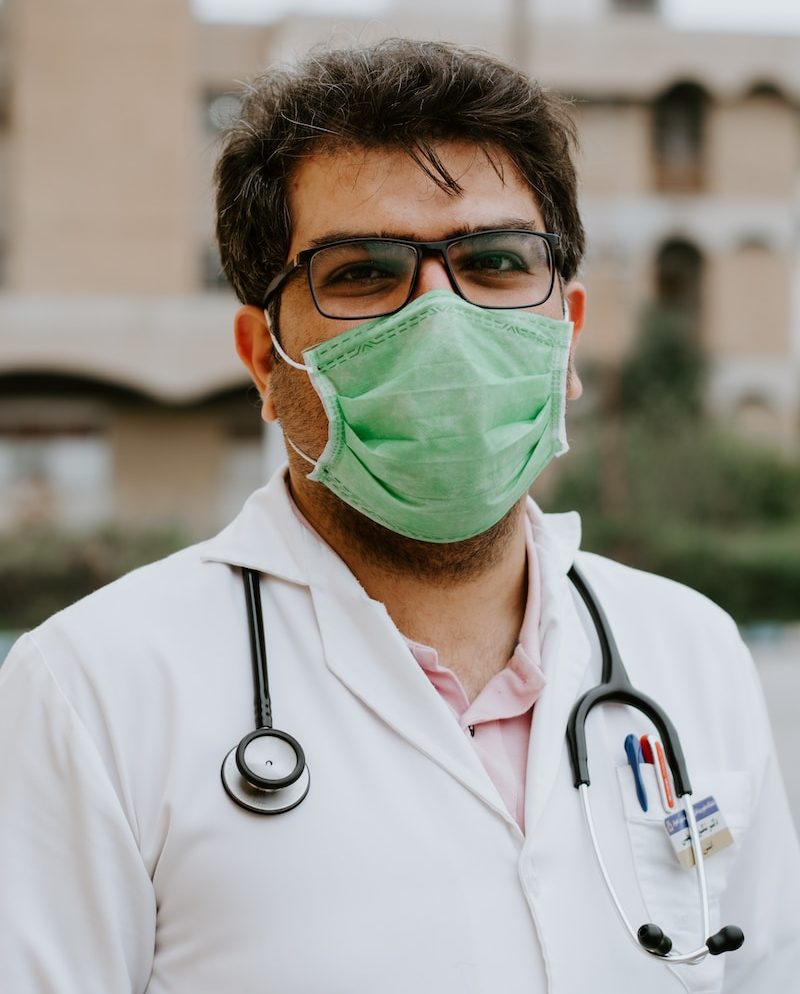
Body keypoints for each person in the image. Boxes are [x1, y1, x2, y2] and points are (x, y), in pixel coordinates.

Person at [0, 38, 798, 994]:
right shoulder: (93, 691)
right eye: (363, 272)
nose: (443, 318)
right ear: (263, 359)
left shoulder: (691, 651)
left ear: (567, 331)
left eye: (498, 261)